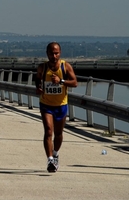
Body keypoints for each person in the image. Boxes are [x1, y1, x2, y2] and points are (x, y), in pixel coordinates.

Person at [36, 42, 77, 173]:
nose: (54, 56)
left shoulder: (65, 66)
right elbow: (37, 81)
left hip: (61, 105)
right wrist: (38, 88)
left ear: (60, 53)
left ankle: (55, 153)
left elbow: (75, 82)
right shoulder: (42, 68)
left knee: (58, 134)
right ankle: (50, 160)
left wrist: (61, 81)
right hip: (46, 104)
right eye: (51, 53)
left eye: (56, 53)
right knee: (48, 131)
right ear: (47, 53)